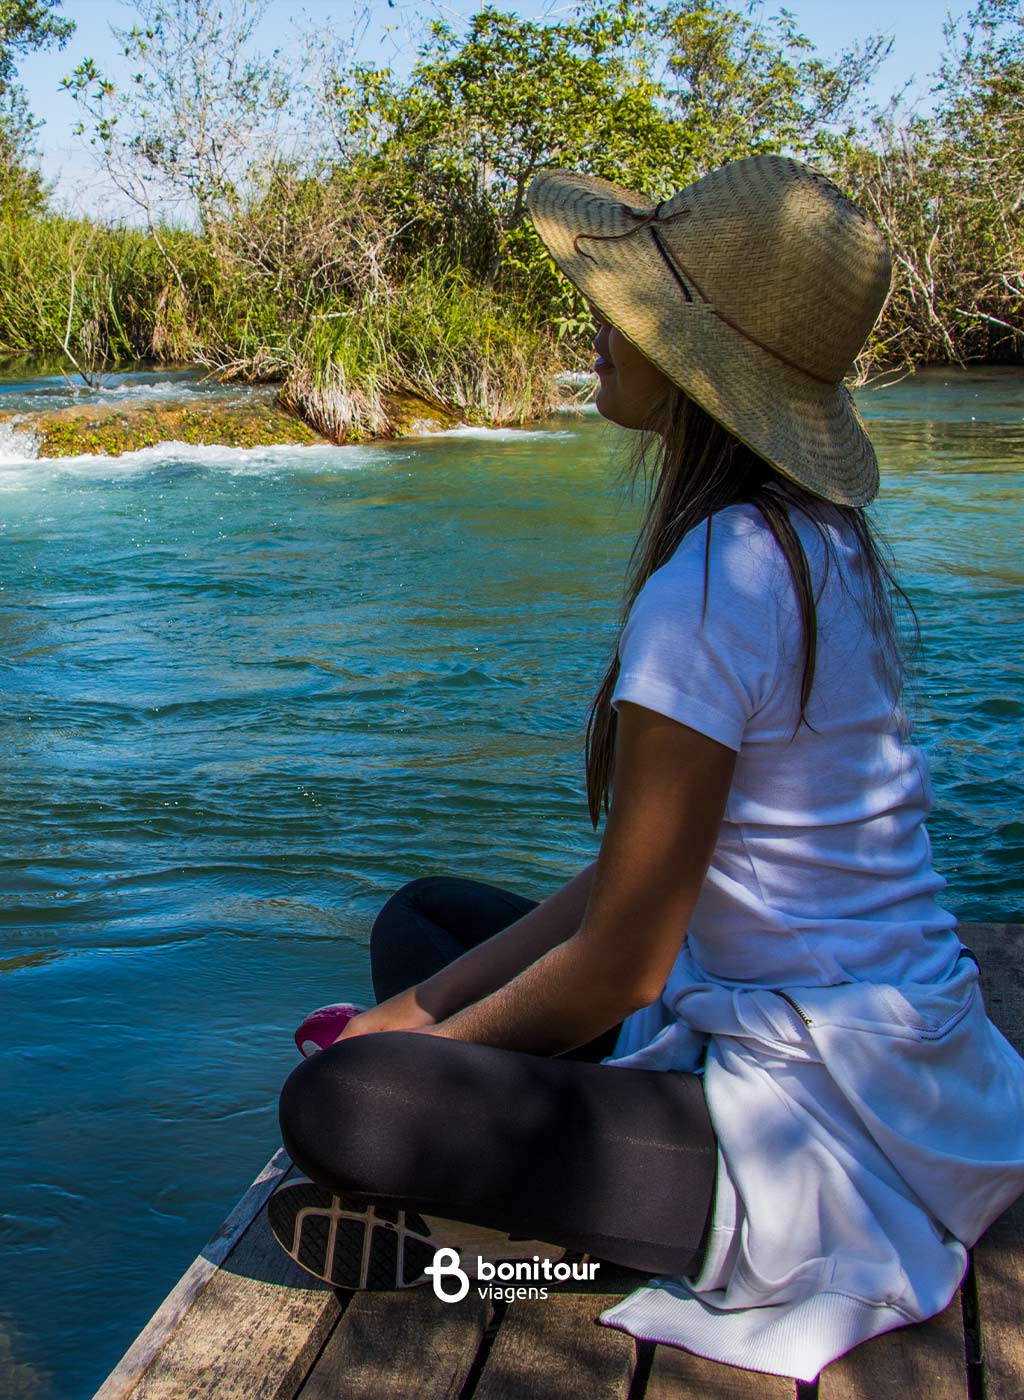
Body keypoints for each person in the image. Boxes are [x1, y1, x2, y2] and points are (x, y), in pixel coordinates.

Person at [270, 155, 1024, 1380]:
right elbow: (635, 884)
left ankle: (522, 1260)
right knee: (423, 923)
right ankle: (540, 1152)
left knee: (345, 1108)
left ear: (696, 360)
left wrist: (414, 1056)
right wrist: (415, 1014)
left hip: (821, 1124)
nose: (597, 329)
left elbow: (620, 960)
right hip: (890, 1053)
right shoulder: (815, 538)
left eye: (628, 311)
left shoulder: (714, 584)